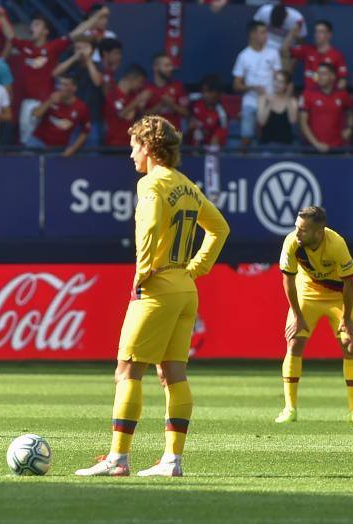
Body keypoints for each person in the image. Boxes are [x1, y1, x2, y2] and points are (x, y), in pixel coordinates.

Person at [75, 115, 229, 478]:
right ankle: (172, 460)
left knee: (127, 370)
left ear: (148, 147)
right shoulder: (187, 185)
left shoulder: (151, 185)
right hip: (185, 287)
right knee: (173, 373)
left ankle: (117, 459)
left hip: (157, 288)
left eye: (133, 146)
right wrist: (196, 268)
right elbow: (220, 227)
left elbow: (149, 228)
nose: (131, 154)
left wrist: (142, 273)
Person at [275, 206, 353, 426]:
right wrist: (297, 315)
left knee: (350, 345)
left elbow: (349, 283)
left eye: (303, 230)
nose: (297, 233)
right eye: (297, 227)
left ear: (319, 233)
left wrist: (346, 318)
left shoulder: (336, 244)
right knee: (294, 341)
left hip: (337, 297)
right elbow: (288, 280)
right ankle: (290, 409)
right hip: (307, 295)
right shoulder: (292, 242)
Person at [0, 7, 110, 144]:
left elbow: (78, 31)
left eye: (37, 24)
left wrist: (98, 14)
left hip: (48, 103)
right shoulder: (25, 46)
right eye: (32, 24)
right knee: (27, 142)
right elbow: (10, 37)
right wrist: (2, 17)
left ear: (46, 31)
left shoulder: (53, 47)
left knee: (48, 139)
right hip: (28, 103)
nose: (32, 27)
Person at [233, 21, 281, 148]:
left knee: (270, 139)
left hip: (269, 103)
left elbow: (279, 78)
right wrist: (253, 87)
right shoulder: (244, 56)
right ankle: (241, 163)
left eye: (266, 32)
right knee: (246, 138)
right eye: (262, 32)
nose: (266, 36)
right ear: (253, 34)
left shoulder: (273, 53)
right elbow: (236, 85)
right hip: (250, 102)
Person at [26, 75, 91, 157]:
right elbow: (36, 115)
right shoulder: (51, 97)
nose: (60, 87)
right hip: (38, 141)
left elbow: (85, 131)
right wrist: (50, 101)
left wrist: (73, 149)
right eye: (60, 84)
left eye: (65, 85)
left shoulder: (81, 107)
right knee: (25, 164)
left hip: (58, 148)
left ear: (74, 88)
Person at [299, 63, 353, 153]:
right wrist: (316, 144)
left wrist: (349, 128)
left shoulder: (342, 95)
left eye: (323, 74)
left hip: (337, 148)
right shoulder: (308, 94)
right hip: (313, 149)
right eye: (318, 73)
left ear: (332, 76)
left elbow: (350, 113)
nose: (319, 76)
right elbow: (303, 123)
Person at [283, 20, 347, 91]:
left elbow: (342, 81)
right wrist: (292, 34)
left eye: (321, 32)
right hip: (309, 98)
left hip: (327, 98)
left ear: (329, 35)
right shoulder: (307, 50)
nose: (317, 34)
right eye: (316, 31)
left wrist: (333, 97)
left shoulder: (337, 55)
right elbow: (284, 51)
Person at [104, 65, 149, 147]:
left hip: (131, 143)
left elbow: (135, 117)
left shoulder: (133, 96)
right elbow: (121, 114)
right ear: (131, 78)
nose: (141, 85)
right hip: (115, 143)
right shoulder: (113, 94)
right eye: (140, 82)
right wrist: (138, 100)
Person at [144, 53, 189, 131]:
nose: (170, 68)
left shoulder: (177, 86)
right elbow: (140, 116)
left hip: (173, 136)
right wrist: (160, 105)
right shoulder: (146, 88)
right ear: (155, 67)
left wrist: (172, 105)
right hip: (151, 136)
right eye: (166, 66)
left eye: (171, 65)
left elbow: (186, 113)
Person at [257, 70, 297, 146]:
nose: (277, 84)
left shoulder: (292, 101)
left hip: (286, 144)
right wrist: (269, 103)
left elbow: (292, 121)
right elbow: (262, 122)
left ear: (286, 85)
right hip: (267, 144)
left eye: (281, 82)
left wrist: (288, 97)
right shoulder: (263, 98)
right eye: (275, 80)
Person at [187, 75, 228, 148]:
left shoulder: (221, 114)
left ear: (217, 93)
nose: (205, 94)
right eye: (204, 91)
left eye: (209, 91)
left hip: (208, 149)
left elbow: (217, 138)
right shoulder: (193, 102)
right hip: (188, 147)